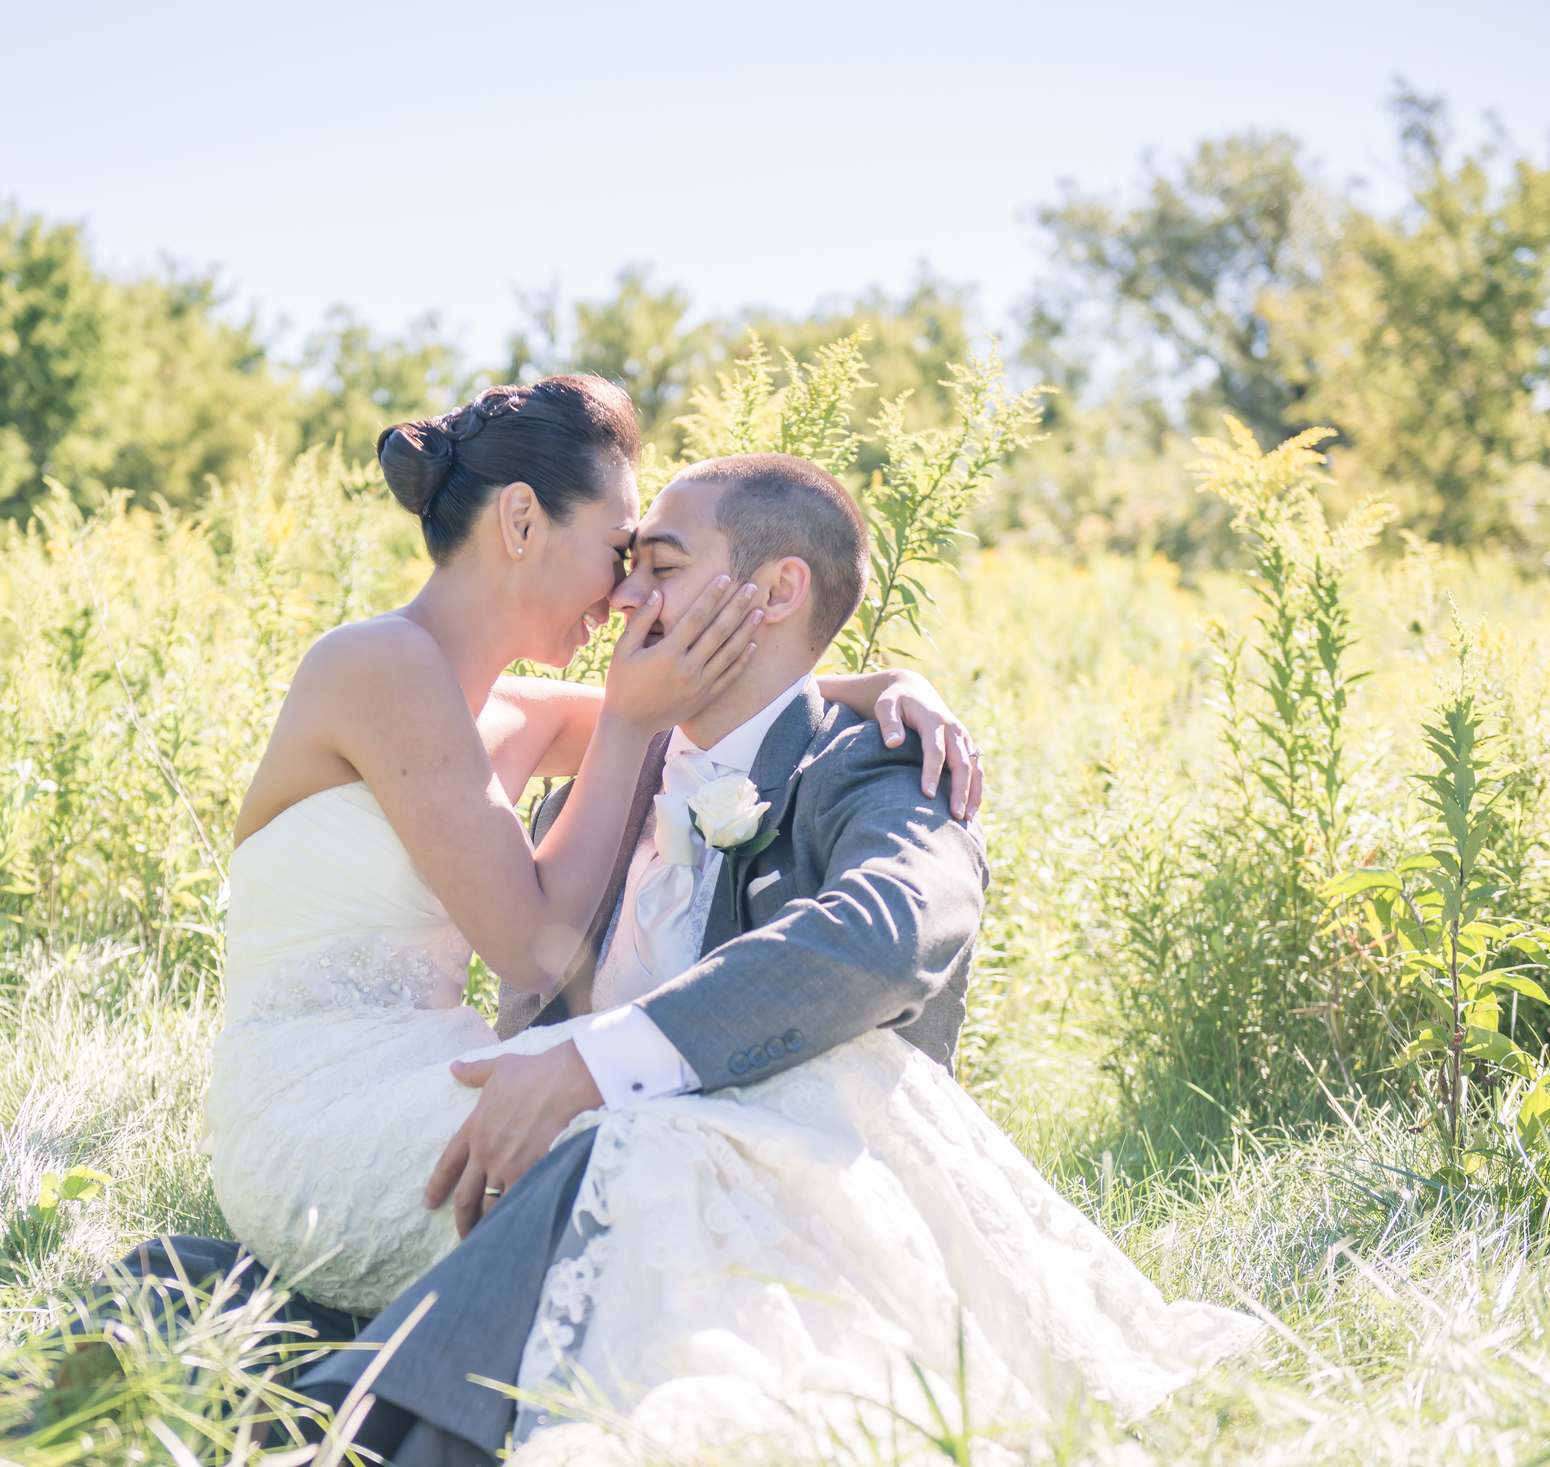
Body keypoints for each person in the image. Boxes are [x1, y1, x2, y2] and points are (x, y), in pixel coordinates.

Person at [291, 449, 1263, 1467]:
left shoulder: (878, 766)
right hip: (553, 1185)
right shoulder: (602, 782)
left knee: (620, 1161)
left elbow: (891, 931)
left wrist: (594, 1067)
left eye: (658, 565)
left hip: (782, 1192)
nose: (622, 594)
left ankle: (339, 1450)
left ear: (776, 590)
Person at [190, 374, 977, 1339]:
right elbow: (531, 952)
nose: (622, 597)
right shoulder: (378, 667)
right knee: (652, 1157)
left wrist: (892, 680)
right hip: (322, 1113)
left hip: (438, 1067)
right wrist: (623, 731)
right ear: (520, 522)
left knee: (680, 1145)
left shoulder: (511, 709)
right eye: (616, 552)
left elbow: (723, 686)